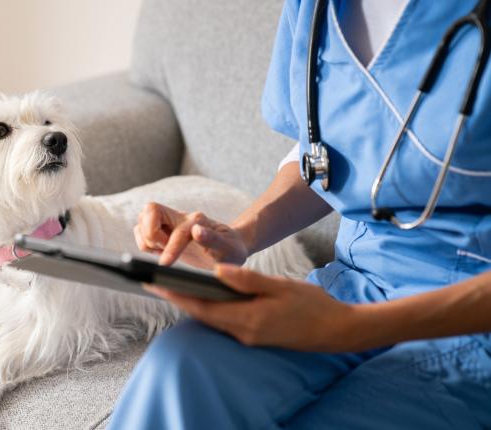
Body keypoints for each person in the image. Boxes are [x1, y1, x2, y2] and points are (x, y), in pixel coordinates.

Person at [108, 0, 491, 428]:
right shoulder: (315, 9)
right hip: (358, 286)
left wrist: (349, 327)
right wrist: (239, 235)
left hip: (472, 317)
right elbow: (327, 154)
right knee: (180, 365)